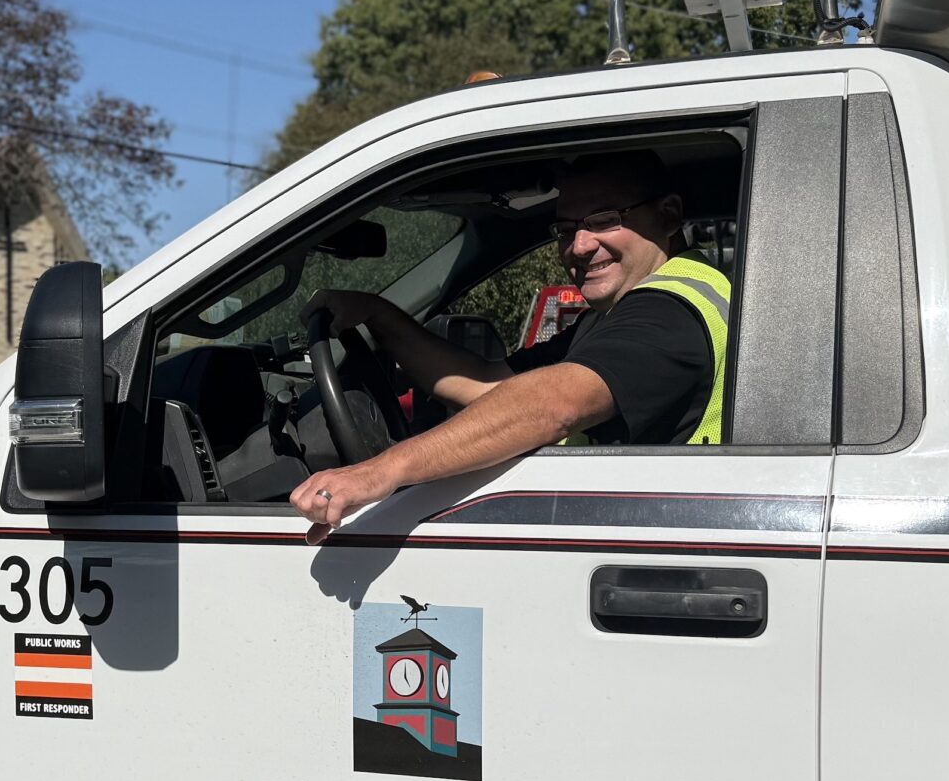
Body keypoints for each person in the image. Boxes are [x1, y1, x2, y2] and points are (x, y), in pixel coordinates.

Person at [291, 153, 730, 541]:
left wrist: (381, 470)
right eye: (566, 229)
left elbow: (557, 404)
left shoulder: (671, 310)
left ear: (669, 216)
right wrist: (380, 315)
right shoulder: (611, 317)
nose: (578, 246)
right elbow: (490, 386)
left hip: (650, 555)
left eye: (604, 220)